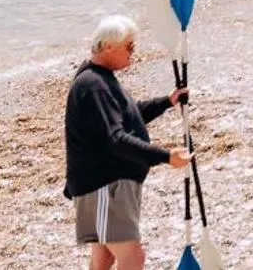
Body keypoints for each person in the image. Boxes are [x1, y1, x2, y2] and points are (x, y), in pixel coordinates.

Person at [63, 16, 189, 270]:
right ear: (109, 45)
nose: (134, 54)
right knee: (132, 257)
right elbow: (116, 139)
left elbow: (130, 116)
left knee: (105, 257)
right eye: (129, 47)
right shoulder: (93, 85)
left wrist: (167, 101)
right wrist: (165, 156)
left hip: (106, 185)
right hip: (103, 186)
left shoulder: (100, 78)